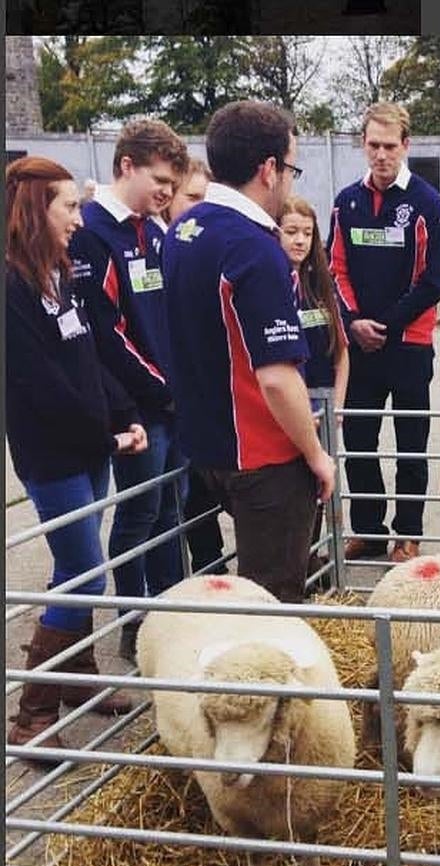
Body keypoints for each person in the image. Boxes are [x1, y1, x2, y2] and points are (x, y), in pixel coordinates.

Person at [162, 100, 336, 604]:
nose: (289, 182)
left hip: (207, 445)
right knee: (271, 601)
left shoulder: (183, 230)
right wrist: (316, 454)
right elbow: (277, 376)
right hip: (262, 454)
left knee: (235, 593)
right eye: (292, 169)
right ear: (269, 169)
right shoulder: (256, 247)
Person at [6, 157, 147, 748]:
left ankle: (78, 672)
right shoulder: (12, 288)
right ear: (36, 210)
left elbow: (87, 360)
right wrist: (104, 438)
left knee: (78, 567)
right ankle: (32, 716)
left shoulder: (57, 276)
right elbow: (41, 386)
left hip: (89, 447)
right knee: (84, 573)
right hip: (53, 455)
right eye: (69, 207)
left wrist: (125, 413)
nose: (78, 219)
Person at [69, 119, 189, 661]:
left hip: (172, 399)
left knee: (171, 511)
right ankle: (134, 620)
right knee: (140, 513)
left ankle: (171, 613)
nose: (166, 192)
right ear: (126, 166)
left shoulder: (152, 230)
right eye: (159, 179)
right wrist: (160, 388)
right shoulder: (93, 233)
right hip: (138, 405)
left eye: (172, 184)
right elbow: (106, 331)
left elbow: (170, 313)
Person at [327, 102, 440, 564]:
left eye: (390, 146)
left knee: (410, 445)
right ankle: (369, 530)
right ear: (363, 144)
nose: (381, 155)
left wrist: (387, 325)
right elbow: (334, 268)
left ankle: (408, 535)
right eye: (373, 145)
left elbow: (433, 281)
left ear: (406, 145)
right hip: (360, 346)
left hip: (408, 346)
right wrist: (353, 322)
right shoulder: (347, 202)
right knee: (359, 443)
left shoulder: (426, 202)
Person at [160, 158, 229, 576]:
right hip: (165, 395)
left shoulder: (204, 249)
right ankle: (202, 571)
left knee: (202, 488)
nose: (199, 207)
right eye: (192, 197)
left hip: (203, 393)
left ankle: (212, 569)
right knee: (175, 500)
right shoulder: (163, 247)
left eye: (206, 198)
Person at [279, 196, 350, 594]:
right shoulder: (270, 286)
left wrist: (337, 405)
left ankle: (314, 560)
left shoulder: (321, 286)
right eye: (291, 231)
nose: (300, 241)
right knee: (292, 489)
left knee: (322, 487)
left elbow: (342, 353)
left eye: (307, 233)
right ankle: (298, 566)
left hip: (323, 402)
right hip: (289, 403)